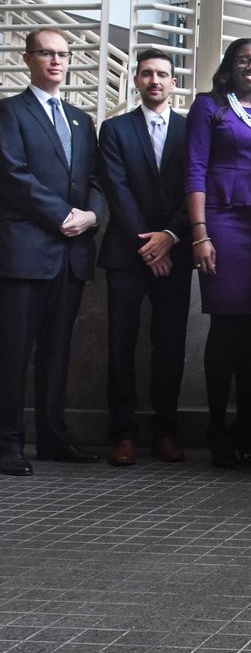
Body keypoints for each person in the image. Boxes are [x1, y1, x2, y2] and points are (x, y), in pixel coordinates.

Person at [0, 29, 106, 476]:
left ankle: (53, 437)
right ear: (28, 59)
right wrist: (64, 214)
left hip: (71, 254)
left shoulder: (82, 119)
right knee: (12, 352)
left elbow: (97, 180)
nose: (57, 61)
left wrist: (92, 217)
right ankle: (6, 444)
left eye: (63, 54)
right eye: (47, 53)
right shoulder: (8, 111)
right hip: (26, 252)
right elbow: (11, 173)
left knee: (58, 351)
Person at [186, 37, 251, 469]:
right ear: (229, 65)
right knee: (227, 328)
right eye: (245, 60)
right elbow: (193, 168)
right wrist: (199, 233)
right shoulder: (208, 107)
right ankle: (214, 426)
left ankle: (244, 429)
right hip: (222, 223)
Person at [97, 49, 192, 467]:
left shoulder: (192, 131)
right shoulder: (114, 129)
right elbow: (116, 189)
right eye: (148, 74)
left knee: (169, 346)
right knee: (121, 344)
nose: (155, 81)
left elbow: (195, 187)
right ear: (136, 80)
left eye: (163, 75)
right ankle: (122, 434)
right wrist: (148, 245)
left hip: (175, 248)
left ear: (174, 82)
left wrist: (169, 236)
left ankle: (166, 432)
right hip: (127, 254)